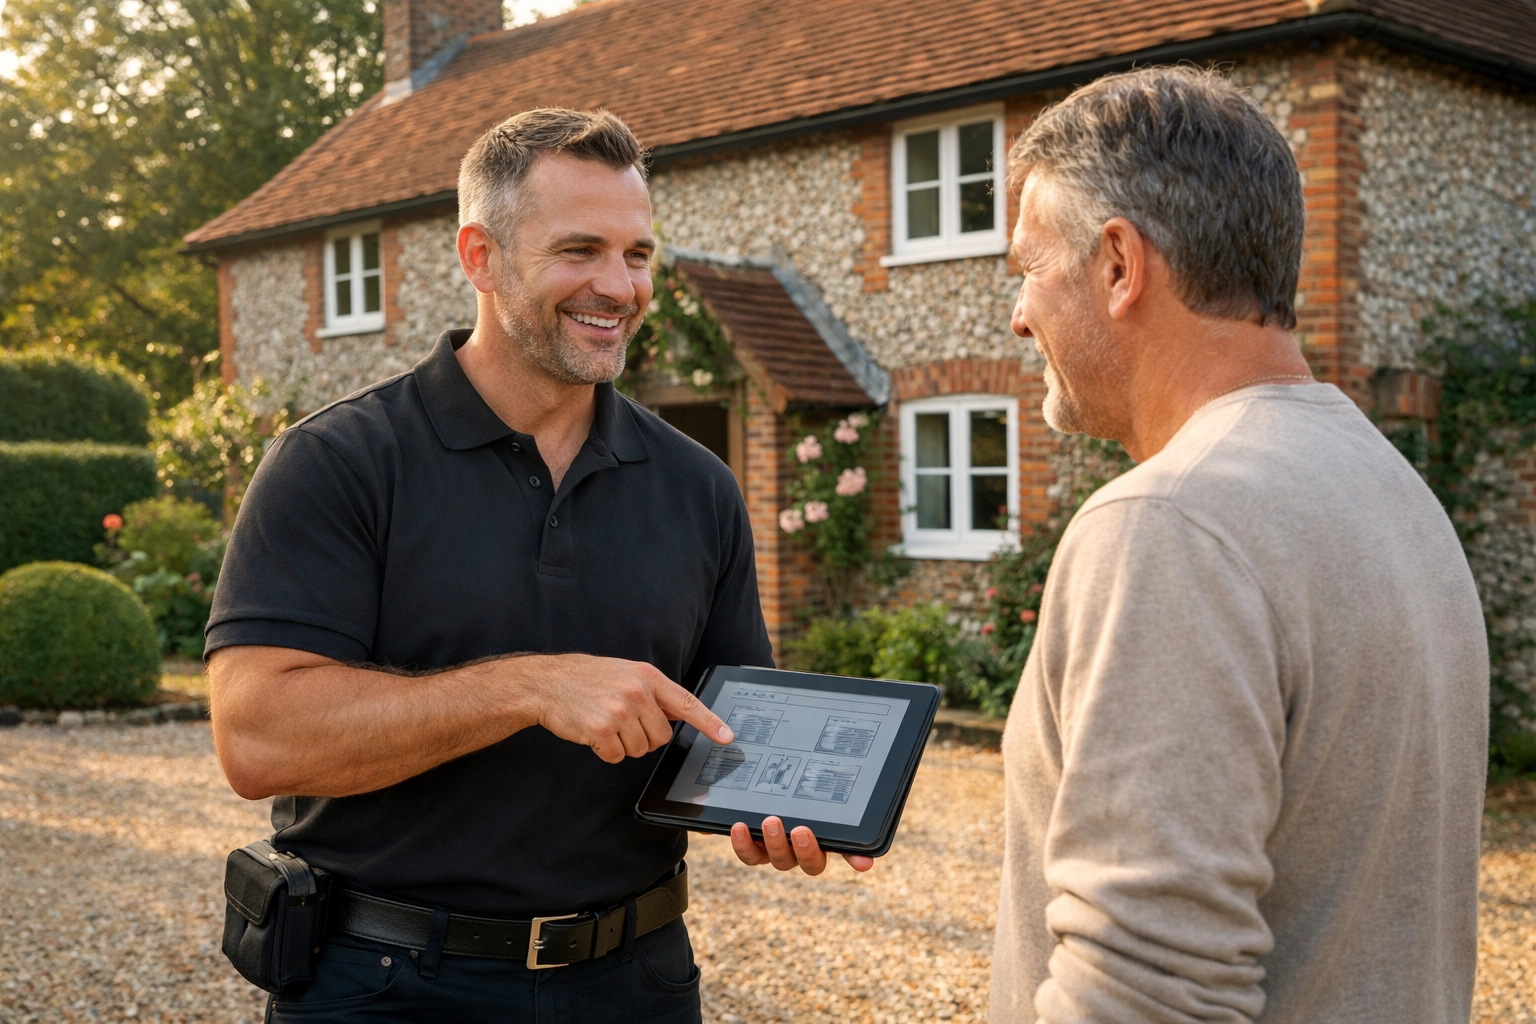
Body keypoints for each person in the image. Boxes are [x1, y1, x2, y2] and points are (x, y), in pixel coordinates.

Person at [206, 107, 838, 1024]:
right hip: (383, 985)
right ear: (482, 257)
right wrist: (529, 689)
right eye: (579, 250)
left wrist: (793, 807)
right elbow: (257, 739)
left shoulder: (698, 485)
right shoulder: (339, 462)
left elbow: (730, 732)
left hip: (636, 983)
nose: (618, 286)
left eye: (637, 255)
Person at [989, 68, 1488, 1024]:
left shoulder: (1168, 525)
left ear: (1119, 265)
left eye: (1030, 267)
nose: (1019, 314)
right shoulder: (1392, 488)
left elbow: (1144, 993)